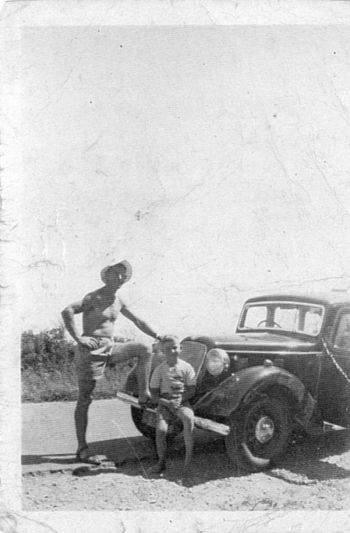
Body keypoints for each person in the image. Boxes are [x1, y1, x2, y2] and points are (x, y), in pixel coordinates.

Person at [61, 259, 162, 464]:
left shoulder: (119, 300)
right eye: (115, 273)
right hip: (91, 349)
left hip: (110, 347)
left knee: (143, 349)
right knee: (85, 399)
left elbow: (138, 321)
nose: (119, 278)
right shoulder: (93, 297)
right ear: (106, 276)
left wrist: (158, 336)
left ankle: (144, 393)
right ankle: (82, 448)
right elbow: (67, 311)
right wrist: (79, 338)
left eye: (122, 275)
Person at [149, 335, 197, 475]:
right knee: (161, 430)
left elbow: (191, 389)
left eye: (175, 347)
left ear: (180, 349)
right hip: (165, 403)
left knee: (188, 419)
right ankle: (161, 462)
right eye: (168, 349)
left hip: (182, 401)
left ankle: (188, 463)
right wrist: (167, 403)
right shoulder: (160, 369)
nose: (172, 351)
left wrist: (180, 400)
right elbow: (154, 393)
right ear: (163, 351)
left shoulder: (186, 367)